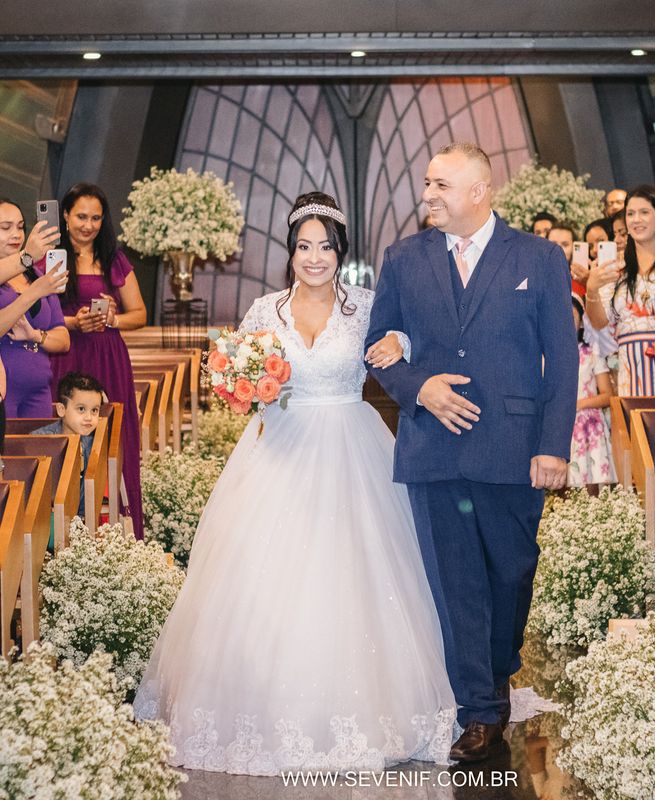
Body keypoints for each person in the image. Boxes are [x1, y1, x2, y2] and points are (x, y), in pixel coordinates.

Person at [134, 192, 457, 774]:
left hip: (351, 445)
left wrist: (399, 346)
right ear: (290, 253)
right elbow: (243, 378)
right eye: (304, 247)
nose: (315, 258)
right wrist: (242, 386)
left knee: (357, 572)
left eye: (325, 247)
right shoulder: (265, 310)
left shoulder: (366, 306)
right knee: (263, 574)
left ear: (341, 252)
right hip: (277, 449)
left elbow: (402, 349)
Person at [366, 142, 578, 763]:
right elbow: (378, 345)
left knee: (512, 573)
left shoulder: (537, 258)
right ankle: (479, 709)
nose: (427, 195)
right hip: (433, 448)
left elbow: (562, 361)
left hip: (512, 447)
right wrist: (418, 388)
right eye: (427, 183)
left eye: (440, 185)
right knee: (455, 584)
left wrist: (552, 446)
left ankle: (499, 662)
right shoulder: (403, 258)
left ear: (480, 192)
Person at [49, 183, 146, 538]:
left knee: (114, 437)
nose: (87, 225)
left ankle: (120, 531)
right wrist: (74, 322)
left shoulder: (113, 257)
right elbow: (36, 313)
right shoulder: (51, 257)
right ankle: (65, 530)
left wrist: (112, 319)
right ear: (65, 215)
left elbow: (140, 313)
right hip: (67, 353)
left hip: (108, 355)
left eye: (95, 218)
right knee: (67, 436)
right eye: (80, 217)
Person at [585, 185, 655, 397]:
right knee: (636, 426)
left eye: (644, 212)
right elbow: (600, 321)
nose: (636, 220)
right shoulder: (616, 269)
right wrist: (592, 288)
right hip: (630, 373)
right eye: (631, 213)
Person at [0, 200, 69, 417]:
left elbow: (64, 338)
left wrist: (36, 335)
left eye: (20, 227)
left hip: (39, 388)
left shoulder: (37, 276)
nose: (16, 234)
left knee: (42, 449)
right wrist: (32, 294)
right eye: (5, 227)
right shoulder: (36, 282)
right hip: (4, 390)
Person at [33, 372, 104, 518]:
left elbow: (88, 502)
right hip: (43, 518)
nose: (89, 417)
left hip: (79, 518)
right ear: (61, 409)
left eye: (94, 410)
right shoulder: (40, 441)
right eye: (81, 409)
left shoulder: (95, 445)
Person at [568, 295, 615, 489]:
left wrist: (579, 405)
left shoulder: (591, 353)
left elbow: (608, 395)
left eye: (572, 317)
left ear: (580, 322)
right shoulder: (546, 357)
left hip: (589, 424)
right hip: (563, 425)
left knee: (594, 482)